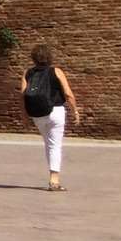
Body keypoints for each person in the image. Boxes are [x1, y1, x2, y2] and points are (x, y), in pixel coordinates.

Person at [19, 46, 81, 192]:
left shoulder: (27, 73)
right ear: (49, 57)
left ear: (33, 58)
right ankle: (54, 180)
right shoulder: (56, 71)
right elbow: (68, 93)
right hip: (56, 111)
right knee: (55, 144)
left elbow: (22, 96)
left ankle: (53, 177)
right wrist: (75, 111)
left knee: (48, 144)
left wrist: (24, 116)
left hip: (37, 114)